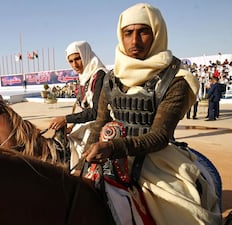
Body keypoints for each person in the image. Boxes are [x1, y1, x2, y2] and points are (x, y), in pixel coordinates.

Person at [82, 3, 220, 224]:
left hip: (157, 158)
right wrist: (87, 153)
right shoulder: (111, 77)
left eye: (143, 32)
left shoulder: (176, 78)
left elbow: (159, 136)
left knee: (188, 213)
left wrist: (112, 147)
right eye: (128, 33)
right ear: (121, 35)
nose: (134, 41)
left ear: (156, 33)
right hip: (109, 155)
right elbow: (101, 121)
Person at [48, 40, 107, 171]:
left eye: (78, 59)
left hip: (99, 123)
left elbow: (96, 111)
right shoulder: (84, 77)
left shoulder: (99, 75)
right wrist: (71, 125)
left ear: (86, 55)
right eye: (71, 61)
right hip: (87, 123)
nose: (75, 64)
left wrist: (66, 119)